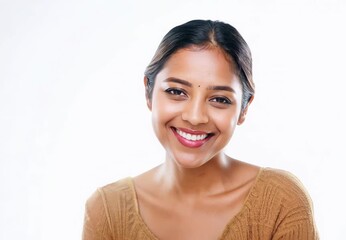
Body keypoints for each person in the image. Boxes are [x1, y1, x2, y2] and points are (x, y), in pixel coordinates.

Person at [82, 19, 319, 240]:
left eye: (219, 99)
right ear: (148, 92)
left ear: (244, 109)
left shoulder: (280, 201)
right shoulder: (107, 210)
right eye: (176, 92)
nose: (195, 117)